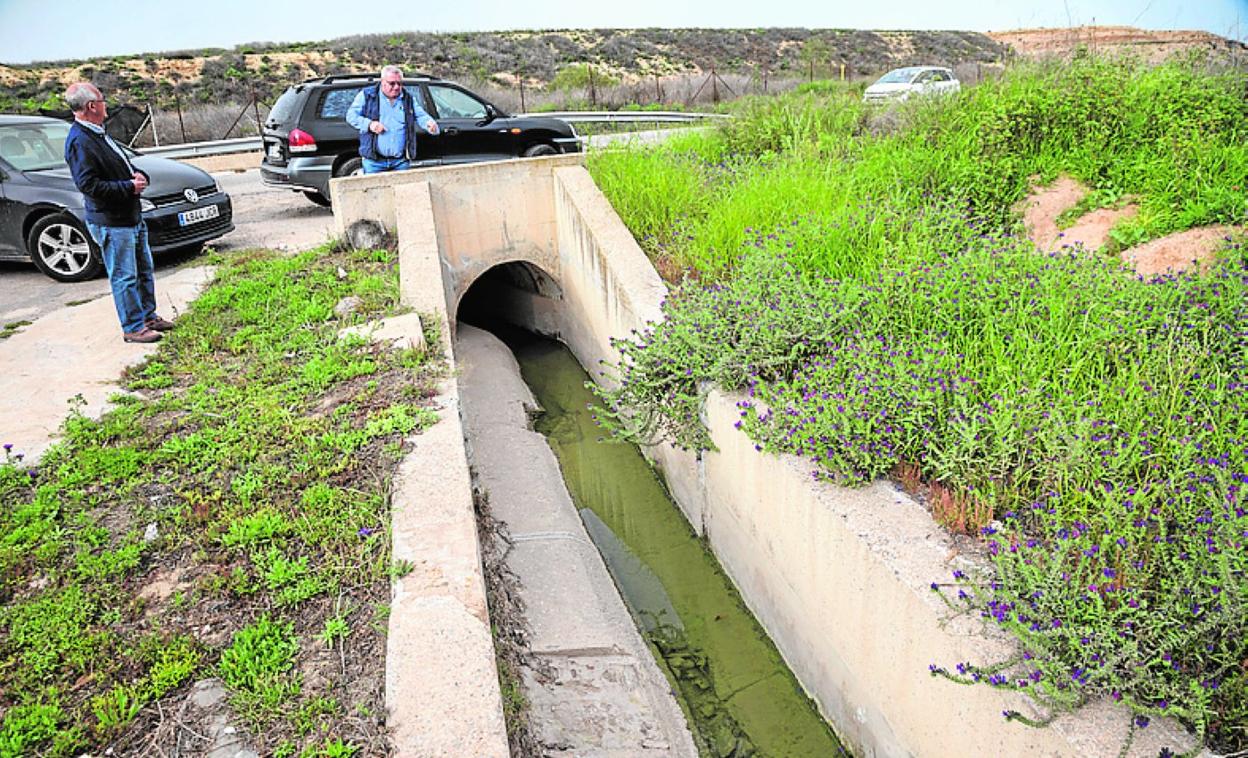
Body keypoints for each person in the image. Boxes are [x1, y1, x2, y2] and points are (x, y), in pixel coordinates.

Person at [63, 82, 174, 344]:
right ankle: (133, 327)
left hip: (130, 216)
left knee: (143, 270)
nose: (106, 106)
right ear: (91, 106)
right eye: (102, 101)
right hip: (112, 221)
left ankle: (148, 316)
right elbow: (88, 185)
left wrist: (138, 177)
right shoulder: (80, 140)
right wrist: (128, 186)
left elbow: (122, 165)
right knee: (125, 276)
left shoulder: (99, 133)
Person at [345, 65, 440, 174]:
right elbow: (351, 116)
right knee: (376, 191)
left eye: (399, 83)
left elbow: (421, 116)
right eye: (392, 83)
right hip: (374, 162)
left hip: (400, 162)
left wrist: (430, 124)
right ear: (382, 82)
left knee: (402, 191)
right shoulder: (367, 96)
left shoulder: (408, 99)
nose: (396, 87)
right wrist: (370, 124)